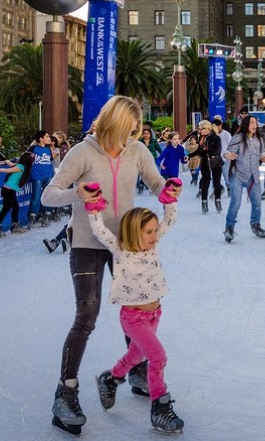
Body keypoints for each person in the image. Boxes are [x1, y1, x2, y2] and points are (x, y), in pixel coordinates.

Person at [41, 95, 171, 436]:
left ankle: (137, 368)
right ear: (110, 124)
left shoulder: (137, 150)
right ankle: (65, 391)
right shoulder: (82, 152)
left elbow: (156, 182)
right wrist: (78, 194)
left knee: (138, 310)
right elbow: (49, 194)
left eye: (134, 131)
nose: (129, 138)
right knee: (87, 315)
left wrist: (167, 189)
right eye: (125, 130)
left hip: (125, 245)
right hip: (86, 243)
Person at [89, 185, 184, 433]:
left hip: (155, 313)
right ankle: (160, 408)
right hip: (133, 318)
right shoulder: (121, 250)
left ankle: (109, 379)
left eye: (154, 231)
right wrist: (94, 209)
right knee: (157, 357)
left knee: (136, 356)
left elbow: (170, 221)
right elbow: (99, 231)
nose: (154, 236)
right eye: (148, 232)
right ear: (134, 232)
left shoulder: (153, 246)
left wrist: (169, 200)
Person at [223, 114, 265, 243]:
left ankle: (255, 225)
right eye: (251, 123)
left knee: (257, 203)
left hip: (253, 177)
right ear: (246, 124)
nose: (254, 125)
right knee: (236, 202)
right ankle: (229, 228)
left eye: (255, 123)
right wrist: (229, 155)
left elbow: (262, 154)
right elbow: (227, 152)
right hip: (238, 176)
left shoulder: (259, 140)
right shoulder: (238, 138)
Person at [0, 151, 34, 237]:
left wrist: (7, 161)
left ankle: (14, 225)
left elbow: (10, 164)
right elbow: (7, 170)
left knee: (15, 207)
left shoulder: (19, 166)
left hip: (10, 190)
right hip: (9, 190)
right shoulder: (21, 167)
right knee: (6, 209)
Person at [185, 120, 222, 214]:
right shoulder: (201, 138)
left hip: (215, 162)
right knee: (205, 182)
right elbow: (199, 150)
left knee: (217, 183)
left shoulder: (216, 138)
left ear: (208, 129)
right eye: (199, 129)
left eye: (202, 129)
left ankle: (217, 201)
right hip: (205, 162)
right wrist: (189, 155)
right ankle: (204, 203)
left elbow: (216, 151)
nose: (200, 131)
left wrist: (205, 151)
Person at [28, 130, 56, 226]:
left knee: (47, 195)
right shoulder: (33, 148)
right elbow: (26, 159)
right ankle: (33, 215)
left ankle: (47, 214)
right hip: (37, 176)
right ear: (41, 139)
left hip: (48, 175)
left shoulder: (48, 150)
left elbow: (51, 163)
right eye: (47, 137)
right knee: (36, 196)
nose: (49, 139)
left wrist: (53, 174)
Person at [137, 128, 161, 194]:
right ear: (142, 134)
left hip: (152, 159)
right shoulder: (140, 142)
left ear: (150, 134)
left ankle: (152, 189)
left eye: (148, 133)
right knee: (142, 174)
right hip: (143, 160)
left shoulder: (154, 141)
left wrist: (163, 157)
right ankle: (141, 187)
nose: (146, 135)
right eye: (144, 133)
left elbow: (159, 149)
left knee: (152, 174)